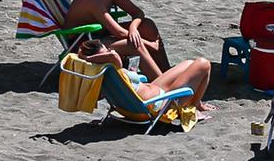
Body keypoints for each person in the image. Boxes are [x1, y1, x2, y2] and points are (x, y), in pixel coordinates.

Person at [67, 0, 171, 79]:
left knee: (147, 26)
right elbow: (119, 33)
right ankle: (161, 83)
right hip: (84, 42)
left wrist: (133, 28)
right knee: (134, 45)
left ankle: (167, 72)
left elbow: (138, 12)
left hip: (101, 32)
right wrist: (150, 45)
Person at [75, 38, 213, 114]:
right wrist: (90, 57)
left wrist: (87, 58)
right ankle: (196, 104)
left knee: (189, 63)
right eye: (106, 51)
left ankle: (197, 103)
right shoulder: (112, 66)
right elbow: (114, 56)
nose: (110, 51)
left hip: (153, 91)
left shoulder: (103, 71)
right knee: (204, 63)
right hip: (161, 104)